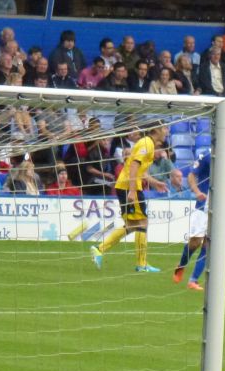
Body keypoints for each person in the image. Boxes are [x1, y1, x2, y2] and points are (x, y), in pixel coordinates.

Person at [90, 122, 169, 273]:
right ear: (156, 130)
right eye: (165, 128)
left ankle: (99, 249)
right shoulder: (146, 143)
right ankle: (142, 264)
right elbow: (133, 166)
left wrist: (155, 182)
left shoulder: (148, 144)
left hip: (126, 185)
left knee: (133, 225)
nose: (167, 131)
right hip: (129, 187)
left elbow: (140, 170)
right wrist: (132, 191)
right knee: (142, 223)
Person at [173, 147, 212, 291]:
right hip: (203, 205)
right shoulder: (207, 155)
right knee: (195, 243)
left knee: (209, 245)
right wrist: (197, 192)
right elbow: (191, 175)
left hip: (218, 207)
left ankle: (193, 280)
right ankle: (181, 265)